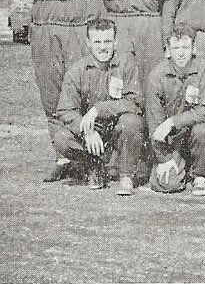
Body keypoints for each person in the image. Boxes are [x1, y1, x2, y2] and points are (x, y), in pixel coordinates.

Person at [21, 0, 103, 181]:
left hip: (79, 29)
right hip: (45, 29)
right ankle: (63, 156)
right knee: (52, 94)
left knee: (82, 92)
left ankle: (89, 158)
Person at [54, 18, 144, 195]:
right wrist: (86, 131)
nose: (103, 47)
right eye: (97, 42)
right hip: (92, 133)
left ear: (115, 42)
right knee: (61, 138)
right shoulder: (77, 71)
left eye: (107, 41)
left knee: (131, 122)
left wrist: (99, 109)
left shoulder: (126, 64)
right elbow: (65, 110)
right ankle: (94, 168)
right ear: (88, 43)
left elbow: (135, 103)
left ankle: (126, 175)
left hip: (118, 129)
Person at [145, 25, 205, 196]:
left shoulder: (204, 69)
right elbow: (155, 123)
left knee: (203, 130)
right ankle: (181, 167)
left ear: (193, 48)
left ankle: (201, 175)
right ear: (167, 51)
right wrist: (164, 158)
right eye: (176, 48)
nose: (181, 53)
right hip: (172, 140)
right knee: (167, 184)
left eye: (185, 47)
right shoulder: (157, 76)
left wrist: (173, 121)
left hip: (196, 134)